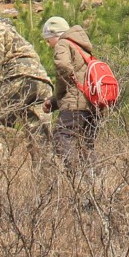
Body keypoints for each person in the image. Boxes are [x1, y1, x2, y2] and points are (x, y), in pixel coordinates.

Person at [0, 9, 53, 132]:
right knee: (39, 134)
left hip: (17, 79)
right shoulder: (11, 33)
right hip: (42, 83)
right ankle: (45, 152)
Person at [42, 15, 101, 174]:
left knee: (61, 136)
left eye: (48, 40)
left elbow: (64, 68)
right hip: (92, 104)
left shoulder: (63, 43)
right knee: (86, 146)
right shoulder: (82, 47)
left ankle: (77, 179)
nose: (49, 45)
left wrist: (59, 95)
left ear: (55, 34)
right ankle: (97, 183)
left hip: (74, 104)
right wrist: (54, 102)